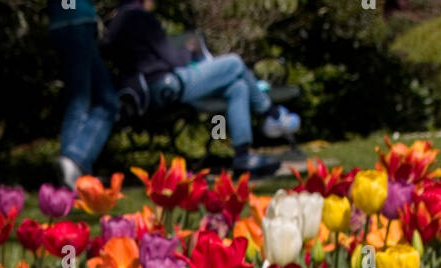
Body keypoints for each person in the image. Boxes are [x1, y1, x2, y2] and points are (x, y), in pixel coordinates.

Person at [104, 0, 299, 177]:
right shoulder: (141, 18)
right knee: (234, 63)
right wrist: (190, 50)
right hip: (165, 86)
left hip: (143, 92)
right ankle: (272, 114)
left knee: (237, 87)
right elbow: (174, 60)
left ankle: (242, 157)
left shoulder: (116, 20)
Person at [47, 0, 120, 187]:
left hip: (76, 24)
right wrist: (70, 9)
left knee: (107, 100)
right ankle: (74, 162)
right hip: (75, 24)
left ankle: (75, 165)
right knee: (80, 99)